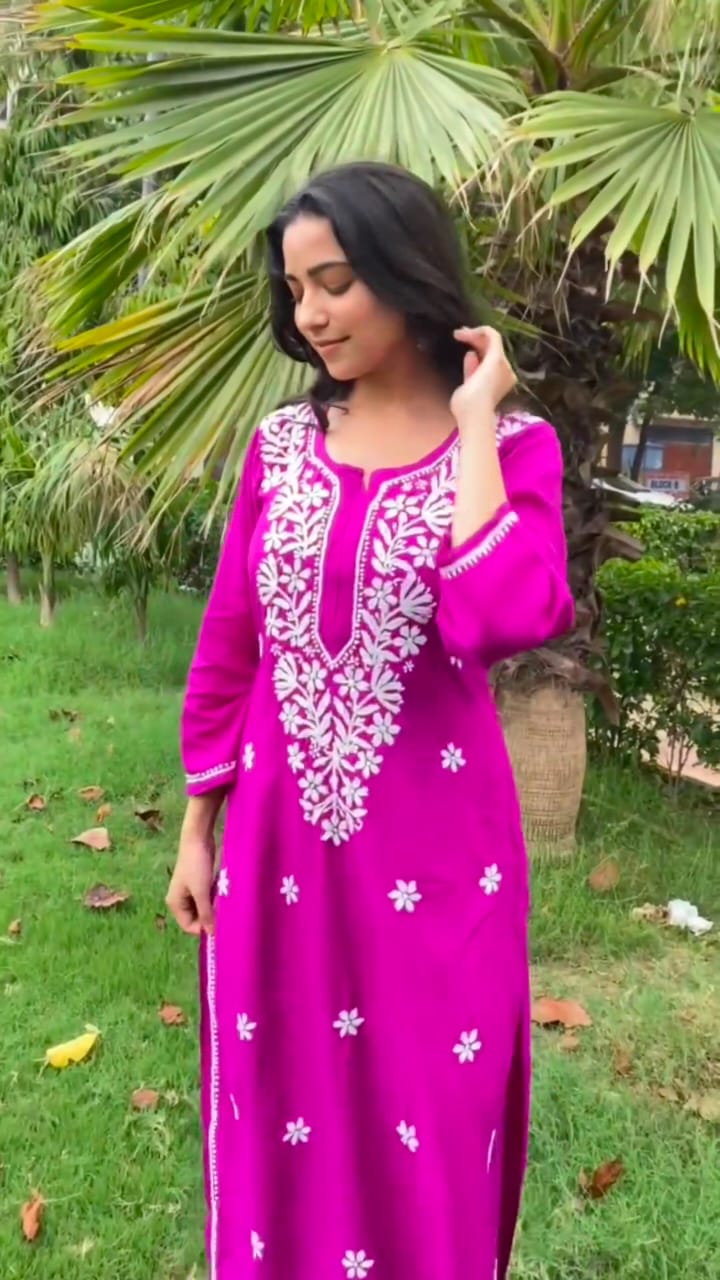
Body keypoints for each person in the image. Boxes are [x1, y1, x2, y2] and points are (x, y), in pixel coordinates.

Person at [167, 161, 575, 1280]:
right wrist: (198, 827)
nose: (310, 313)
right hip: (277, 853)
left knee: (429, 1115)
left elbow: (501, 615)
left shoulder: (514, 450)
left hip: (437, 863)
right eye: (296, 288)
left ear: (406, 269)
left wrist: (475, 421)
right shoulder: (279, 449)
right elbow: (233, 642)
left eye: (336, 282)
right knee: (281, 1106)